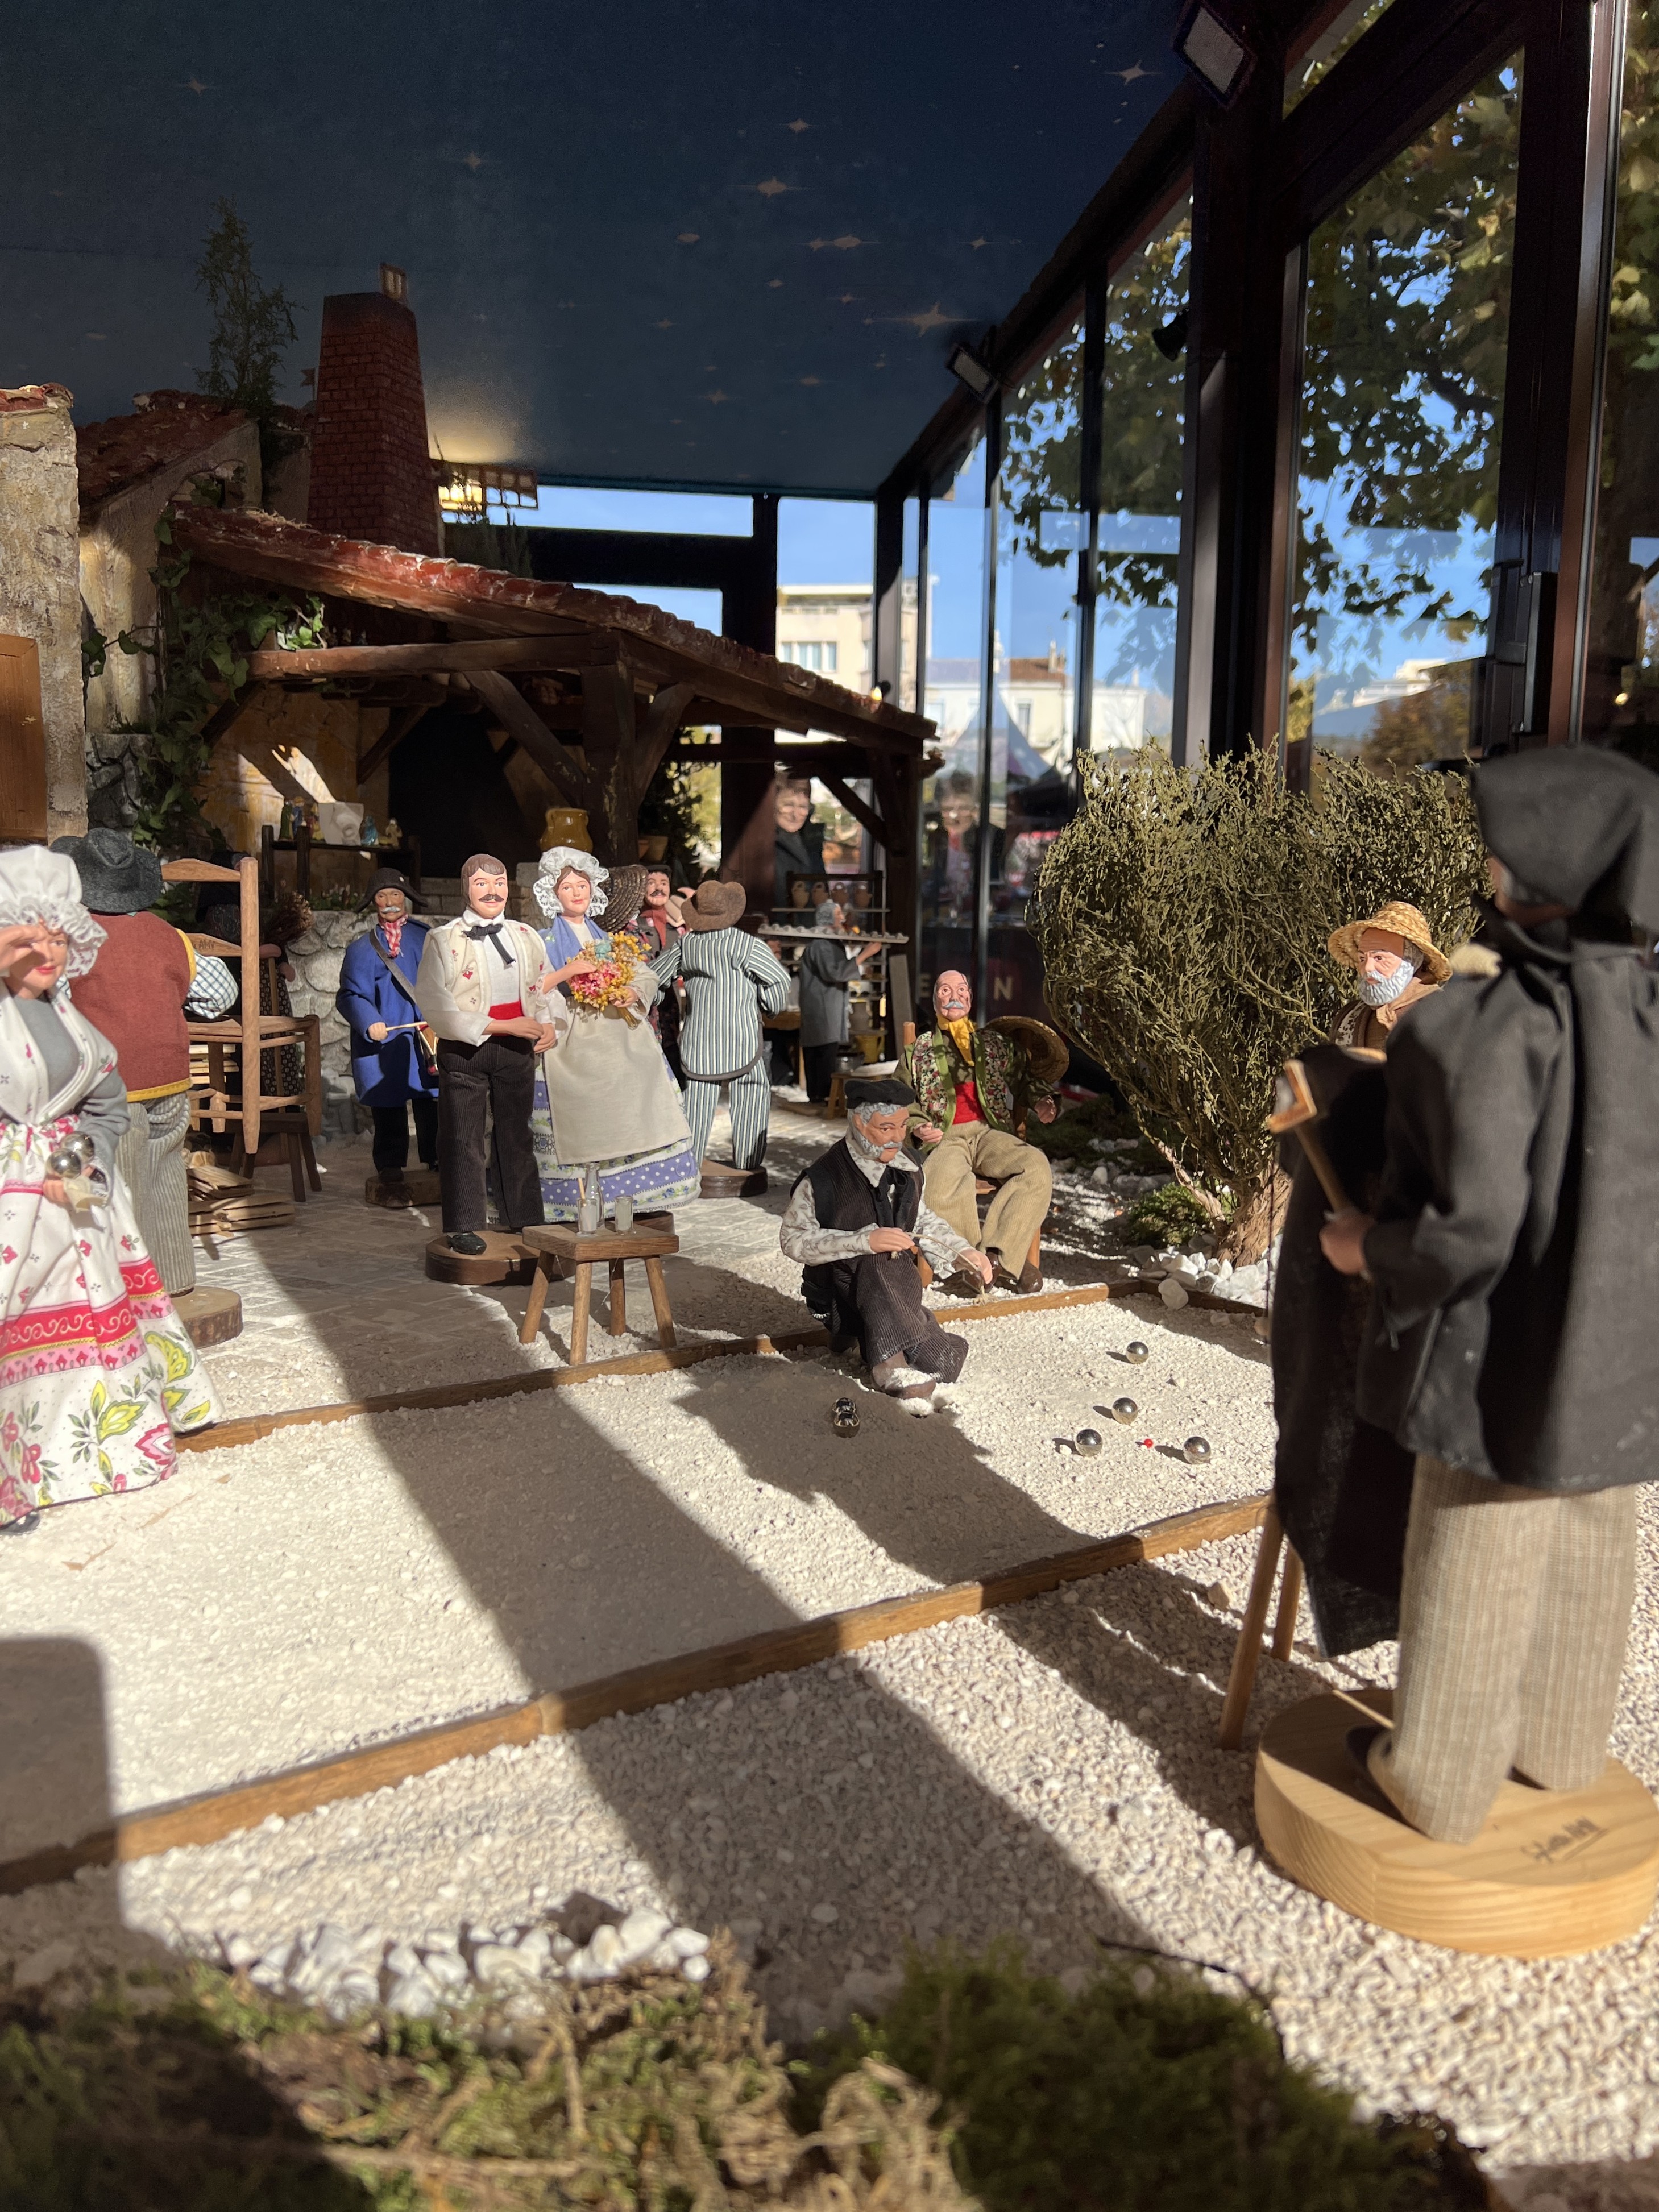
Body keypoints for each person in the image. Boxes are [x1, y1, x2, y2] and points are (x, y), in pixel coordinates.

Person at [1320, 748, 1659, 1846]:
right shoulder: (1645, 1009)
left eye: (1502, 848)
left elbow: (1466, 1231)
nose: (1487, 863)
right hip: (1623, 1357)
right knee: (1593, 1537)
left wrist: (1367, 1247)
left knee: (1474, 1549)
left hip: (1496, 1355)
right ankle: (1559, 1749)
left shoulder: (1483, 1026)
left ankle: (1437, 1779)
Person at [0, 847, 218, 1535]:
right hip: (13, 1201)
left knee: (98, 1305)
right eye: (29, 939)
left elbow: (103, 1090)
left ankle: (102, 1444)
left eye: (59, 939)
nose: (48, 954)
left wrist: (80, 1156)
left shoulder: (64, 1009)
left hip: (75, 1185)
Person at [51, 827, 231, 1298]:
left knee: (120, 1185)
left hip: (110, 1087)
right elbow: (222, 994)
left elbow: (55, 1002)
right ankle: (175, 1278)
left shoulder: (72, 941)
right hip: (171, 1080)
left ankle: (129, 1291)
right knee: (166, 1174)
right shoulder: (171, 937)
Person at [780, 1074, 993, 1414]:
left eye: (903, 1126)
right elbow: (793, 1240)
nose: (897, 1137)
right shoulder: (822, 1179)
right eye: (886, 1128)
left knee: (944, 1363)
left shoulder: (908, 1168)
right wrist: (864, 1241)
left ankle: (914, 1346)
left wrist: (961, 1252)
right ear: (859, 1124)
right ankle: (889, 1362)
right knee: (880, 1259)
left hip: (892, 1297)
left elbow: (922, 1219)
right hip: (838, 1294)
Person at [527, 850, 700, 1223]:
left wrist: (632, 991)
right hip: (571, 1033)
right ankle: (572, 1198)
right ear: (553, 894)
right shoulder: (542, 941)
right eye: (567, 887)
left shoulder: (608, 938)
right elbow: (530, 984)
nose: (577, 893)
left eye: (582, 885)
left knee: (638, 1095)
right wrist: (568, 973)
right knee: (577, 1115)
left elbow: (646, 974)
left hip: (618, 1032)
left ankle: (633, 1192)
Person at [414, 853, 557, 1256]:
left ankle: (525, 1215)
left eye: (499, 884)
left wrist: (548, 1023)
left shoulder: (526, 935)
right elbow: (436, 1004)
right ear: (466, 889)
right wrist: (503, 1026)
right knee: (462, 1136)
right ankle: (464, 1223)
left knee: (517, 1134)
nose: (492, 892)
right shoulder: (443, 939)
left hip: (517, 1049)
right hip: (466, 1050)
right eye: (481, 884)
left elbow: (542, 985)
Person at [898, 970, 1060, 1294]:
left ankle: (1000, 1257)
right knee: (939, 1183)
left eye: (961, 990)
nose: (954, 996)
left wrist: (1042, 1100)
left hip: (989, 1132)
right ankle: (968, 1263)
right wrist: (918, 1127)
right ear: (935, 1000)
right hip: (945, 1136)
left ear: (970, 999)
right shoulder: (918, 1051)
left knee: (1035, 1165)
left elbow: (1025, 1079)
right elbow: (902, 1099)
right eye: (945, 990)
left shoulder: (995, 1045)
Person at [647, 880, 791, 1181]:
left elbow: (654, 977)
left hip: (701, 1039)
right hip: (742, 1036)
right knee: (752, 1092)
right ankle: (748, 1161)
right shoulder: (747, 944)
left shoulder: (687, 945)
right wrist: (770, 1006)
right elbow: (778, 979)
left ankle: (690, 1163)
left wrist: (657, 1001)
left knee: (697, 1100)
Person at [335, 867, 439, 1196]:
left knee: (431, 1099)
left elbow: (446, 982)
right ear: (374, 902)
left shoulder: (427, 939)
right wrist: (369, 1021)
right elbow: (350, 995)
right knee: (388, 1102)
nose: (390, 901)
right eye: (382, 896)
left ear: (405, 897)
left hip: (424, 1036)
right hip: (385, 1038)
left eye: (396, 894)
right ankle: (390, 1163)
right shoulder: (361, 950)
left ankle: (438, 1157)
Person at [1326, 901, 1450, 1050]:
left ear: (1413, 959)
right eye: (1362, 959)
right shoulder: (1348, 1018)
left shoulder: (1446, 1014)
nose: (1367, 968)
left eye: (1379, 958)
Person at [799, 902, 880, 1102]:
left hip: (827, 1005)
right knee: (822, 1051)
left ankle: (821, 1097)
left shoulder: (829, 942)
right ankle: (821, 1097)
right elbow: (835, 973)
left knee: (824, 1049)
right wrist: (865, 955)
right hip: (821, 1007)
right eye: (837, 914)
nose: (842, 918)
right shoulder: (821, 944)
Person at [624, 864, 685, 1078]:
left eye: (664, 884)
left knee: (672, 1048)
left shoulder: (679, 926)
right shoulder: (632, 926)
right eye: (652, 883)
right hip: (642, 1000)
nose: (659, 888)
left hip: (670, 1002)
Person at [774, 776, 825, 913]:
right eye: (788, 805)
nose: (795, 815)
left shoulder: (812, 843)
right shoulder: (765, 844)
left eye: (803, 807)